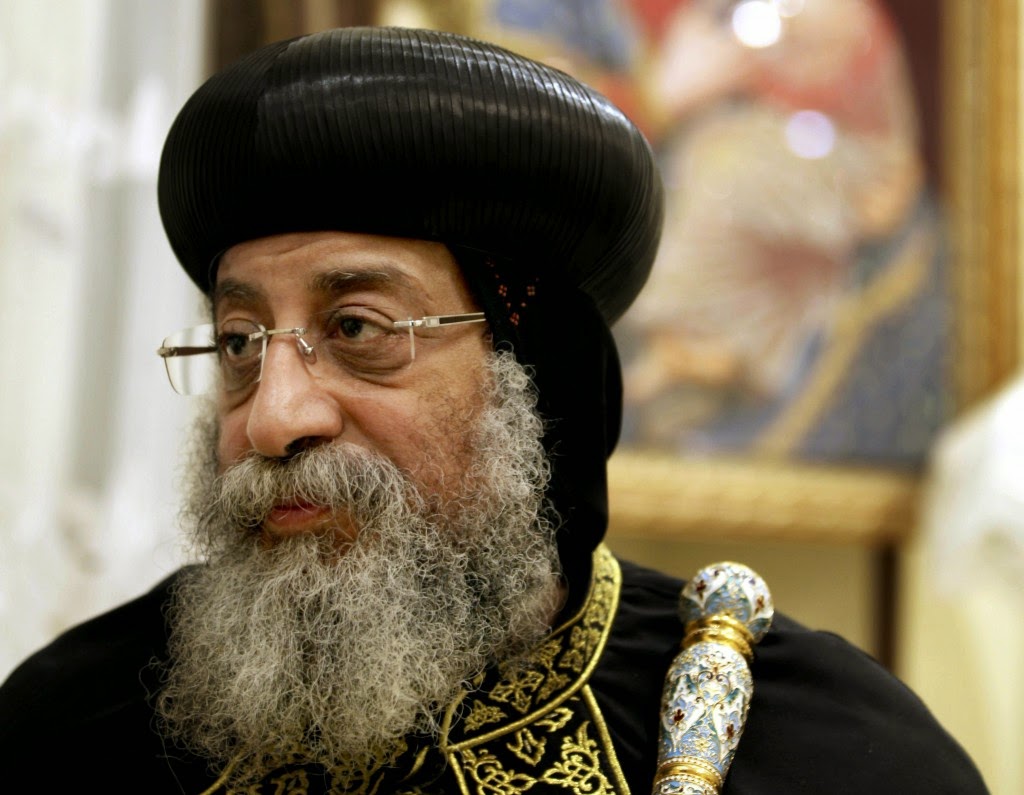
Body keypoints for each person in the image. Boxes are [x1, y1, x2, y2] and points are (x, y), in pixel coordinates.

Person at [0, 26, 987, 794]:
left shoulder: (823, 751)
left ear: (539, 378)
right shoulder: (69, 728)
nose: (271, 417)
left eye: (356, 327)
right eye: (238, 343)